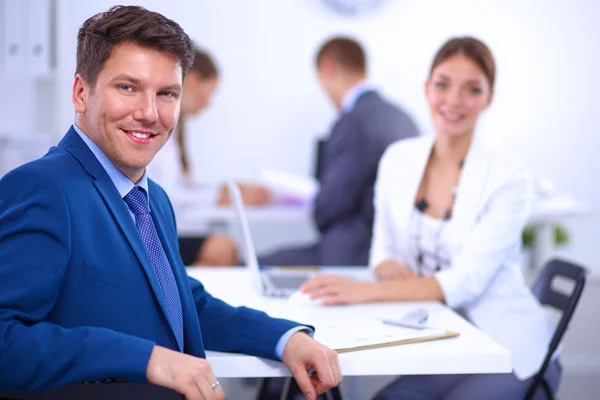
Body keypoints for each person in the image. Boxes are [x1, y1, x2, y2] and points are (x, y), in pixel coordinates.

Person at [0, 6, 342, 400]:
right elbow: (6, 338)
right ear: (81, 92)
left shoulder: (152, 199)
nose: (148, 113)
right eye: (127, 87)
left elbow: (181, 303)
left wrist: (284, 338)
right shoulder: (43, 188)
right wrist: (148, 359)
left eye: (166, 94)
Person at [300, 36, 561, 399]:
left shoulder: (510, 178)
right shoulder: (398, 159)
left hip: (508, 349)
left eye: (472, 89)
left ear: (489, 98)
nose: (453, 101)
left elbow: (466, 281)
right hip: (443, 340)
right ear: (426, 88)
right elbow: (383, 251)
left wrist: (367, 292)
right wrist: (391, 270)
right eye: (442, 85)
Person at [258, 36, 419, 267]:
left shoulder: (352, 122)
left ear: (328, 67)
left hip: (349, 256)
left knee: (251, 266)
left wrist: (317, 200)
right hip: (394, 256)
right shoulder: (404, 118)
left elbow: (329, 207)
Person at [147, 48, 271, 267]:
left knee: (226, 247)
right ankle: (175, 299)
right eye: (210, 93)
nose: (208, 103)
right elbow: (168, 195)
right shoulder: (155, 125)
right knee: (223, 249)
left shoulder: (175, 129)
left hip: (161, 225)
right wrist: (222, 196)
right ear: (193, 81)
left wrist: (227, 190)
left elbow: (181, 186)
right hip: (147, 232)